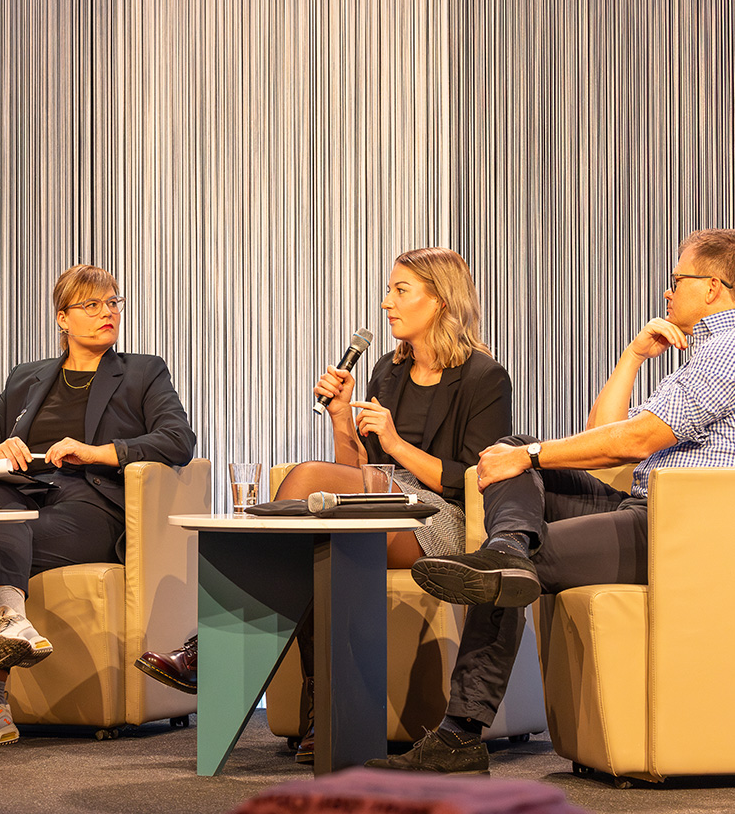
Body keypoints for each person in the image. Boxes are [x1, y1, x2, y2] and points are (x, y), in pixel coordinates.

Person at [372, 229, 735, 774]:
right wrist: (633, 357)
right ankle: (508, 545)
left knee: (514, 522)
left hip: (683, 530)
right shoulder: (713, 353)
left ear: (713, 287)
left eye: (677, 281)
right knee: (513, 452)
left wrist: (532, 456)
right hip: (647, 509)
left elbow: (635, 441)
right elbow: (606, 433)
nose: (668, 292)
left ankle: (460, 734)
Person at [136, 247, 512, 764]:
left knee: (307, 479)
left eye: (400, 291)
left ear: (441, 300)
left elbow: (475, 479)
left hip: (439, 516)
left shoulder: (484, 376)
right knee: (315, 539)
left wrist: (397, 444)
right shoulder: (387, 371)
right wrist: (340, 417)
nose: (386, 303)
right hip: (384, 497)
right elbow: (357, 469)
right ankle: (323, 716)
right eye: (388, 290)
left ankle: (214, 650)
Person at [0, 264, 196, 745]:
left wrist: (98, 453)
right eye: (93, 304)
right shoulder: (28, 377)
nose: (109, 312)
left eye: (113, 303)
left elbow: (178, 440)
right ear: (62, 318)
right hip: (27, 496)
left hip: (93, 505)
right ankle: (13, 622)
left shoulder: (143, 372)